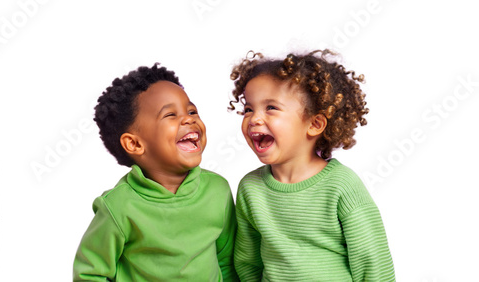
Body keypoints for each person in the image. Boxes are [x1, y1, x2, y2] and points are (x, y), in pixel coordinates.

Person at [228, 50, 395, 281]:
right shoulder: (251, 188)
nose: (254, 119)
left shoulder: (341, 185)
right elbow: (247, 262)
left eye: (271, 108)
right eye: (248, 109)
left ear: (315, 124)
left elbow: (373, 264)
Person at [73, 64, 237, 281]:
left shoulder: (218, 190)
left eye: (191, 111)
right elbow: (90, 273)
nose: (189, 119)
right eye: (170, 114)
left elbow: (226, 260)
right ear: (134, 144)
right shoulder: (119, 206)